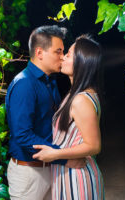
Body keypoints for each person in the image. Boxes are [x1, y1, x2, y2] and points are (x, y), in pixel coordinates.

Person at [5, 25, 85, 200]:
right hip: (28, 174)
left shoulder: (50, 81)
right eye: (58, 51)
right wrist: (64, 158)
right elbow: (23, 135)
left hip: (50, 168)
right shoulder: (24, 84)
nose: (62, 57)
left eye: (63, 51)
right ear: (40, 53)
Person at [33, 34, 105, 200]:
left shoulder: (81, 99)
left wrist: (55, 154)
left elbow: (94, 146)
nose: (63, 57)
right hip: (68, 176)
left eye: (69, 54)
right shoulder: (76, 94)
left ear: (82, 62)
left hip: (78, 179)